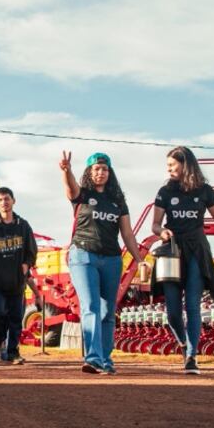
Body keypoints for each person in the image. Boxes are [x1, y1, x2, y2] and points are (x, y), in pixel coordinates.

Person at [151, 146, 214, 375]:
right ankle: (183, 343)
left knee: (192, 305)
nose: (169, 170)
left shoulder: (205, 191)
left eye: (172, 165)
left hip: (197, 251)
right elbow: (154, 224)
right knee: (173, 310)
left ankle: (192, 356)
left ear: (185, 164)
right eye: (168, 166)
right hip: (173, 252)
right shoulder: (165, 191)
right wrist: (161, 232)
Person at [60, 151, 148, 374]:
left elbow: (127, 234)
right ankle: (93, 358)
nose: (101, 172)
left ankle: (106, 359)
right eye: (96, 169)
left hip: (111, 258)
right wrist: (66, 170)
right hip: (83, 255)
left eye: (105, 169)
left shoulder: (118, 201)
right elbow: (70, 188)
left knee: (108, 311)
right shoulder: (83, 195)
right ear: (89, 172)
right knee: (91, 306)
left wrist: (139, 260)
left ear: (110, 172)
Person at [0, 187, 37, 365]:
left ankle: (13, 352)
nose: (4, 202)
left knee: (15, 318)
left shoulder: (23, 225)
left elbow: (32, 249)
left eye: (7, 199)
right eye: (1, 200)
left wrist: (27, 264)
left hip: (17, 281)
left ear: (13, 201)